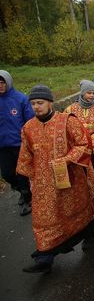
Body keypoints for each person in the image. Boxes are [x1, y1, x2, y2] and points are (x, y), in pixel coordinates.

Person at [17, 85, 94, 273]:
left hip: (69, 179)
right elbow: (26, 155)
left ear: (50, 102)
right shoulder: (28, 128)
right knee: (43, 220)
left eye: (40, 103)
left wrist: (66, 160)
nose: (36, 107)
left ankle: (89, 233)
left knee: (78, 211)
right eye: (33, 104)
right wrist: (30, 180)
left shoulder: (67, 121)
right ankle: (44, 258)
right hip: (42, 183)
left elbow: (84, 144)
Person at [64, 80, 94, 220]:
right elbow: (66, 129)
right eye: (89, 93)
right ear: (82, 93)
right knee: (82, 182)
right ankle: (87, 209)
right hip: (78, 152)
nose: (92, 95)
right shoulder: (70, 110)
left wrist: (90, 142)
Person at [0, 70, 34, 216]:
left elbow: (30, 121)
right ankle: (21, 190)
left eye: (2, 83)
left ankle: (27, 199)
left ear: (8, 82)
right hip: (2, 145)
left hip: (19, 144)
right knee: (7, 174)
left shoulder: (20, 99)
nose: (0, 86)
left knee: (22, 173)